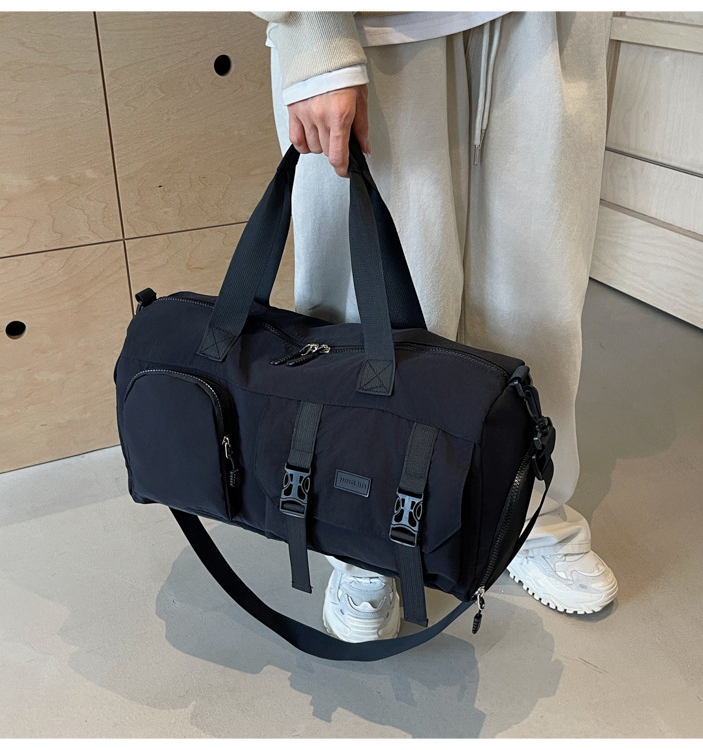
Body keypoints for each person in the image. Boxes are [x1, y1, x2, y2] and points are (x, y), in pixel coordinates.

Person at [252, 10, 619, 642]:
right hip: (379, 24)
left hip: (545, 22)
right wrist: (314, 36)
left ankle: (525, 506)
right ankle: (361, 523)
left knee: (539, 284)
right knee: (369, 297)